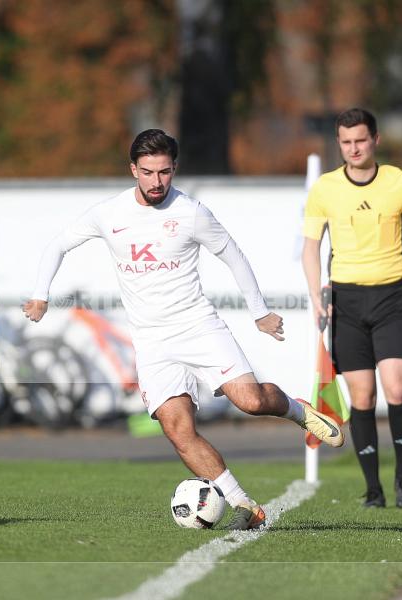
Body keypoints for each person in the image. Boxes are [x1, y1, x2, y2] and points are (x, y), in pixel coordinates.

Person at [23, 128, 344, 530]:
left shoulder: (191, 212)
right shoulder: (109, 214)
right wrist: (41, 296)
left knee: (251, 401)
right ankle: (246, 506)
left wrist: (259, 312)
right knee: (178, 429)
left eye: (164, 172)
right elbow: (58, 245)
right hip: (153, 341)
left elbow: (234, 255)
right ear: (133, 170)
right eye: (148, 172)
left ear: (174, 169)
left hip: (198, 326)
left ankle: (298, 410)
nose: (157, 182)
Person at [301, 108, 402, 509]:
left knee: (396, 388)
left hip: (393, 297)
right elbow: (310, 247)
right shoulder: (325, 188)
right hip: (347, 301)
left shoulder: (399, 183)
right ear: (338, 144)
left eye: (360, 140)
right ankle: (373, 490)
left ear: (375, 139)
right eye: (346, 142)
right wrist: (315, 297)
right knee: (362, 396)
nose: (353, 148)